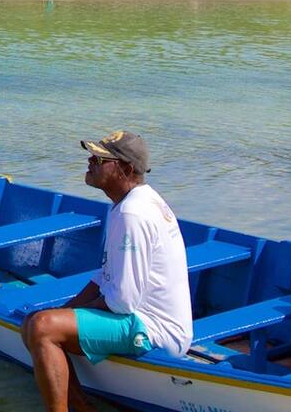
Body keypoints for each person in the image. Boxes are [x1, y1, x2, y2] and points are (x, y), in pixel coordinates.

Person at [21, 130, 192, 412]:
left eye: (100, 159)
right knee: (36, 321)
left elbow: (123, 302)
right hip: (141, 319)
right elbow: (105, 275)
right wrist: (69, 311)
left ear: (125, 169)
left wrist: (64, 319)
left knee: (41, 328)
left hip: (156, 330)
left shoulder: (132, 213)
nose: (90, 161)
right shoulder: (127, 205)